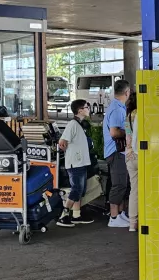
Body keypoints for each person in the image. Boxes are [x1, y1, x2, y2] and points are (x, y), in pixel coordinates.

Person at [56, 99, 95, 227]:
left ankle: (76, 215)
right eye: (87, 107)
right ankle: (64, 215)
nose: (88, 108)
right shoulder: (73, 124)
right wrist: (71, 152)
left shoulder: (79, 124)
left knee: (80, 190)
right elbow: (62, 142)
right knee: (77, 189)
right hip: (75, 163)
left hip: (80, 162)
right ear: (80, 110)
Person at [104, 79, 131, 228]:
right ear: (127, 92)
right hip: (115, 152)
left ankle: (120, 215)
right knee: (119, 184)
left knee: (123, 184)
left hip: (117, 152)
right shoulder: (117, 109)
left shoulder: (117, 107)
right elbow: (114, 132)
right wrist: (129, 132)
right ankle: (113, 217)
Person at [124, 90, 139, 234]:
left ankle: (132, 223)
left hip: (129, 156)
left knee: (134, 190)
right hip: (141, 154)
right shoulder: (142, 114)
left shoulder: (128, 115)